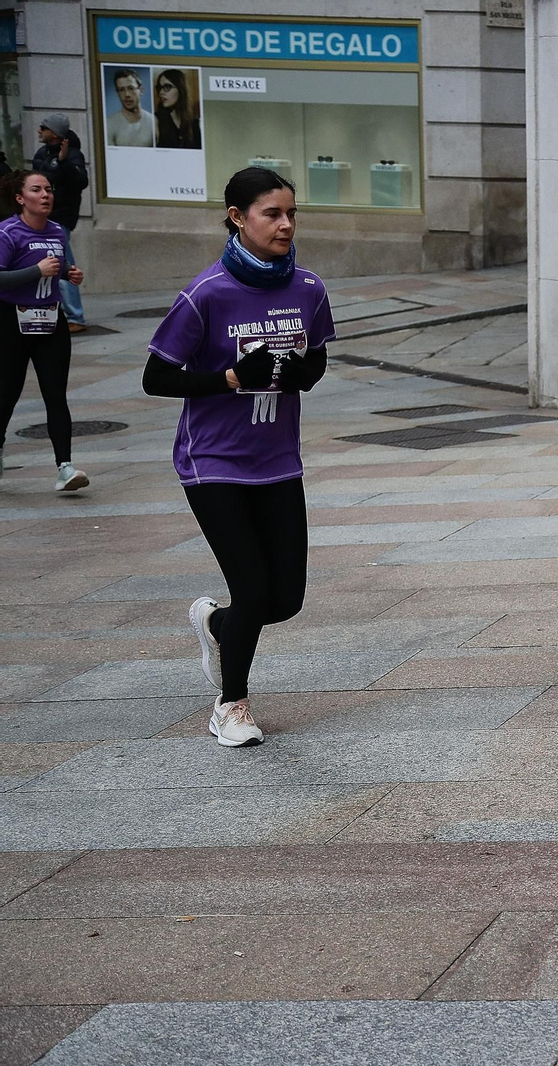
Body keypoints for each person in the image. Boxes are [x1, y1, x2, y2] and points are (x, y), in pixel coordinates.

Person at [142, 167, 335, 745]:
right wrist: (228, 376)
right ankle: (231, 706)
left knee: (286, 598)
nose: (284, 224)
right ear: (237, 217)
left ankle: (217, 625)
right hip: (214, 463)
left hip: (277, 460)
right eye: (271, 213)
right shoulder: (208, 293)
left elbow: (317, 360)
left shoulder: (307, 288)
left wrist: (302, 371)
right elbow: (156, 378)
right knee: (252, 586)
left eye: (291, 213)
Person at [0, 169, 89, 492]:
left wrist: (68, 273)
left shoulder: (56, 231)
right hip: (12, 322)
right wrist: (35, 271)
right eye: (37, 190)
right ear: (21, 198)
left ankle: (65, 467)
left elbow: (56, 265)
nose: (46, 195)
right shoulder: (8, 232)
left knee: (56, 395)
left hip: (51, 321)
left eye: (49, 189)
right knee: (7, 393)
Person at [31, 115, 89, 332]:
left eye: (43, 127)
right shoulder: (42, 153)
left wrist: (63, 163)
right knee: (53, 263)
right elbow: (37, 180)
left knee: (62, 264)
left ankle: (76, 316)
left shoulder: (72, 155)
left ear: (54, 133)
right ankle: (63, 312)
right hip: (43, 217)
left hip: (61, 217)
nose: (39, 130)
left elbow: (80, 181)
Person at [106, 69, 155, 148]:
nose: (127, 94)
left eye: (131, 88)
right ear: (117, 93)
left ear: (141, 91)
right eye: (121, 90)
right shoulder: (109, 124)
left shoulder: (153, 121)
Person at [154, 70, 202, 150]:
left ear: (180, 89)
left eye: (167, 87)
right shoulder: (156, 120)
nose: (161, 92)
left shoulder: (195, 124)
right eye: (159, 88)